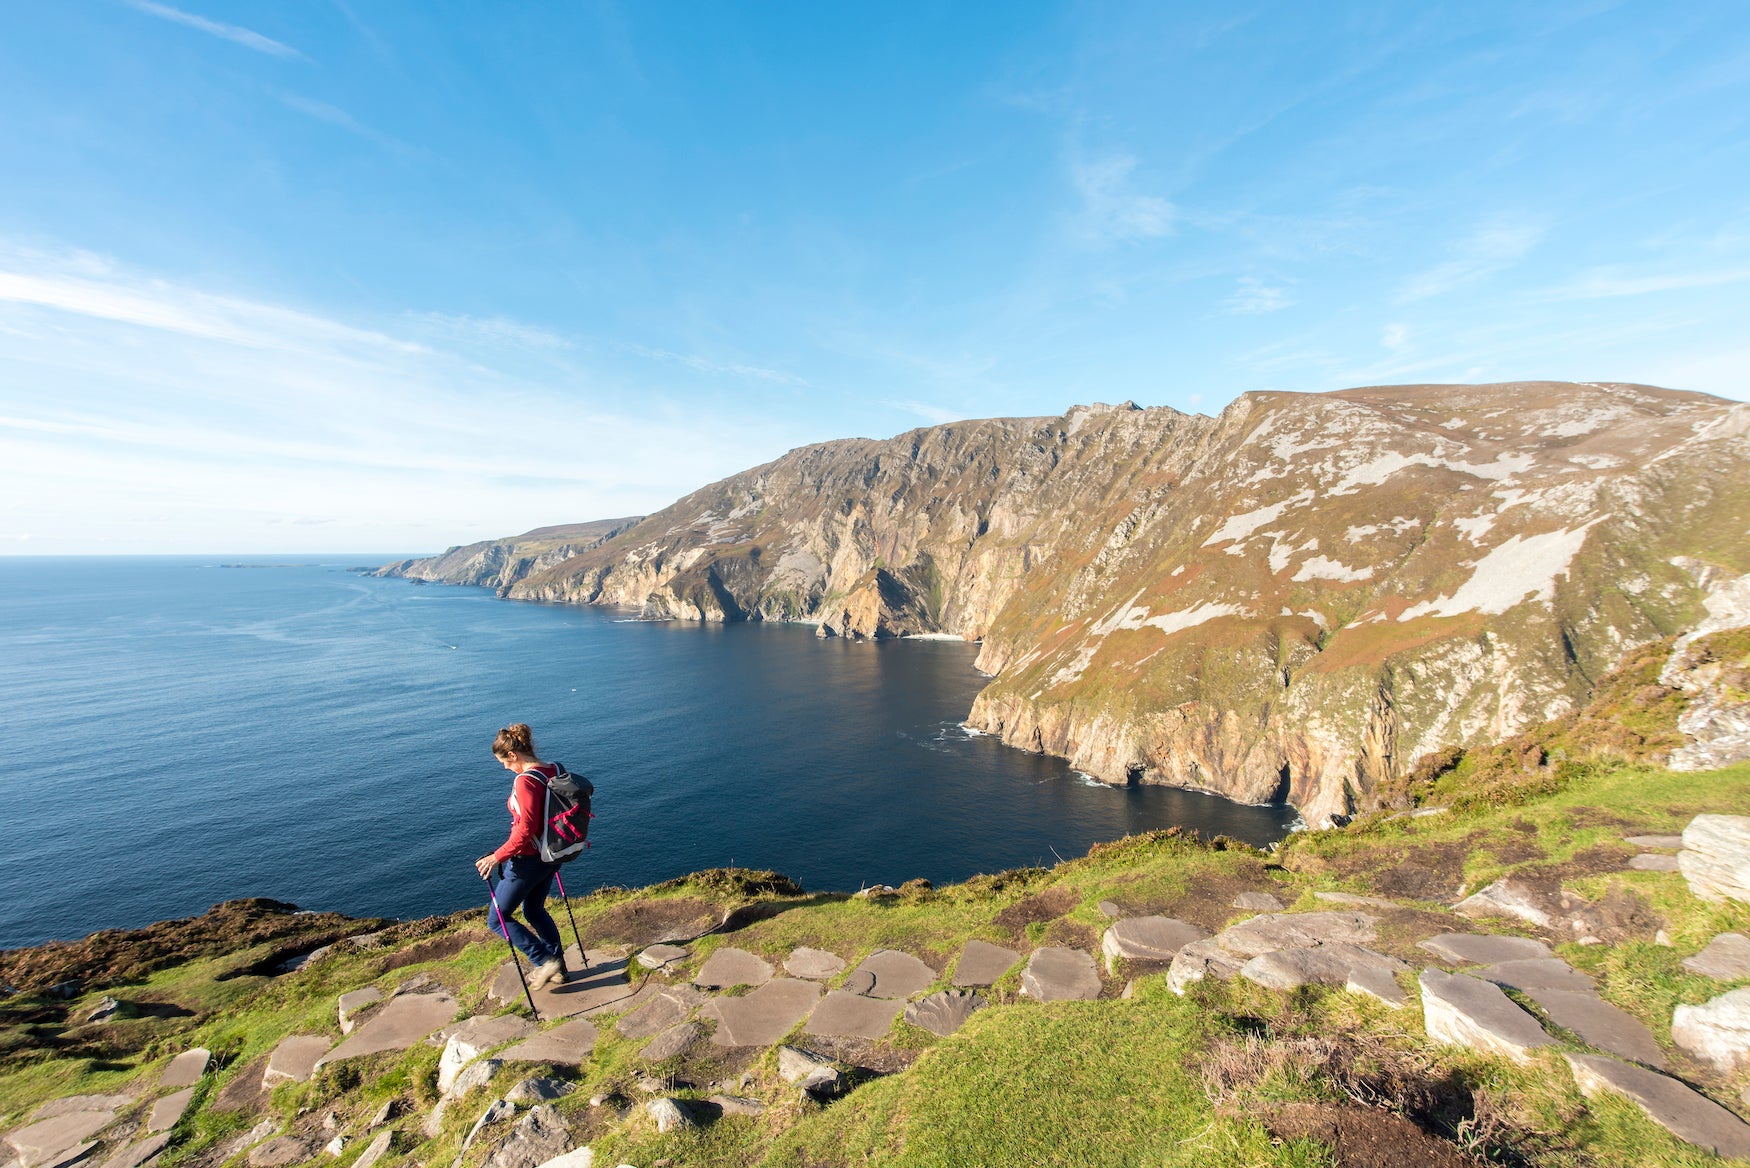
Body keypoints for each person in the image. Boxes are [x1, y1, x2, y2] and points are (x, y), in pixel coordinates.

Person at [475, 723, 566, 989]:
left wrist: (497, 857)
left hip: (528, 861)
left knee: (498, 918)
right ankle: (558, 967)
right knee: (534, 909)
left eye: (503, 761)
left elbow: (526, 829)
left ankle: (544, 961)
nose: (504, 767)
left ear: (513, 755)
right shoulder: (555, 769)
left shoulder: (525, 781)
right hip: (552, 854)